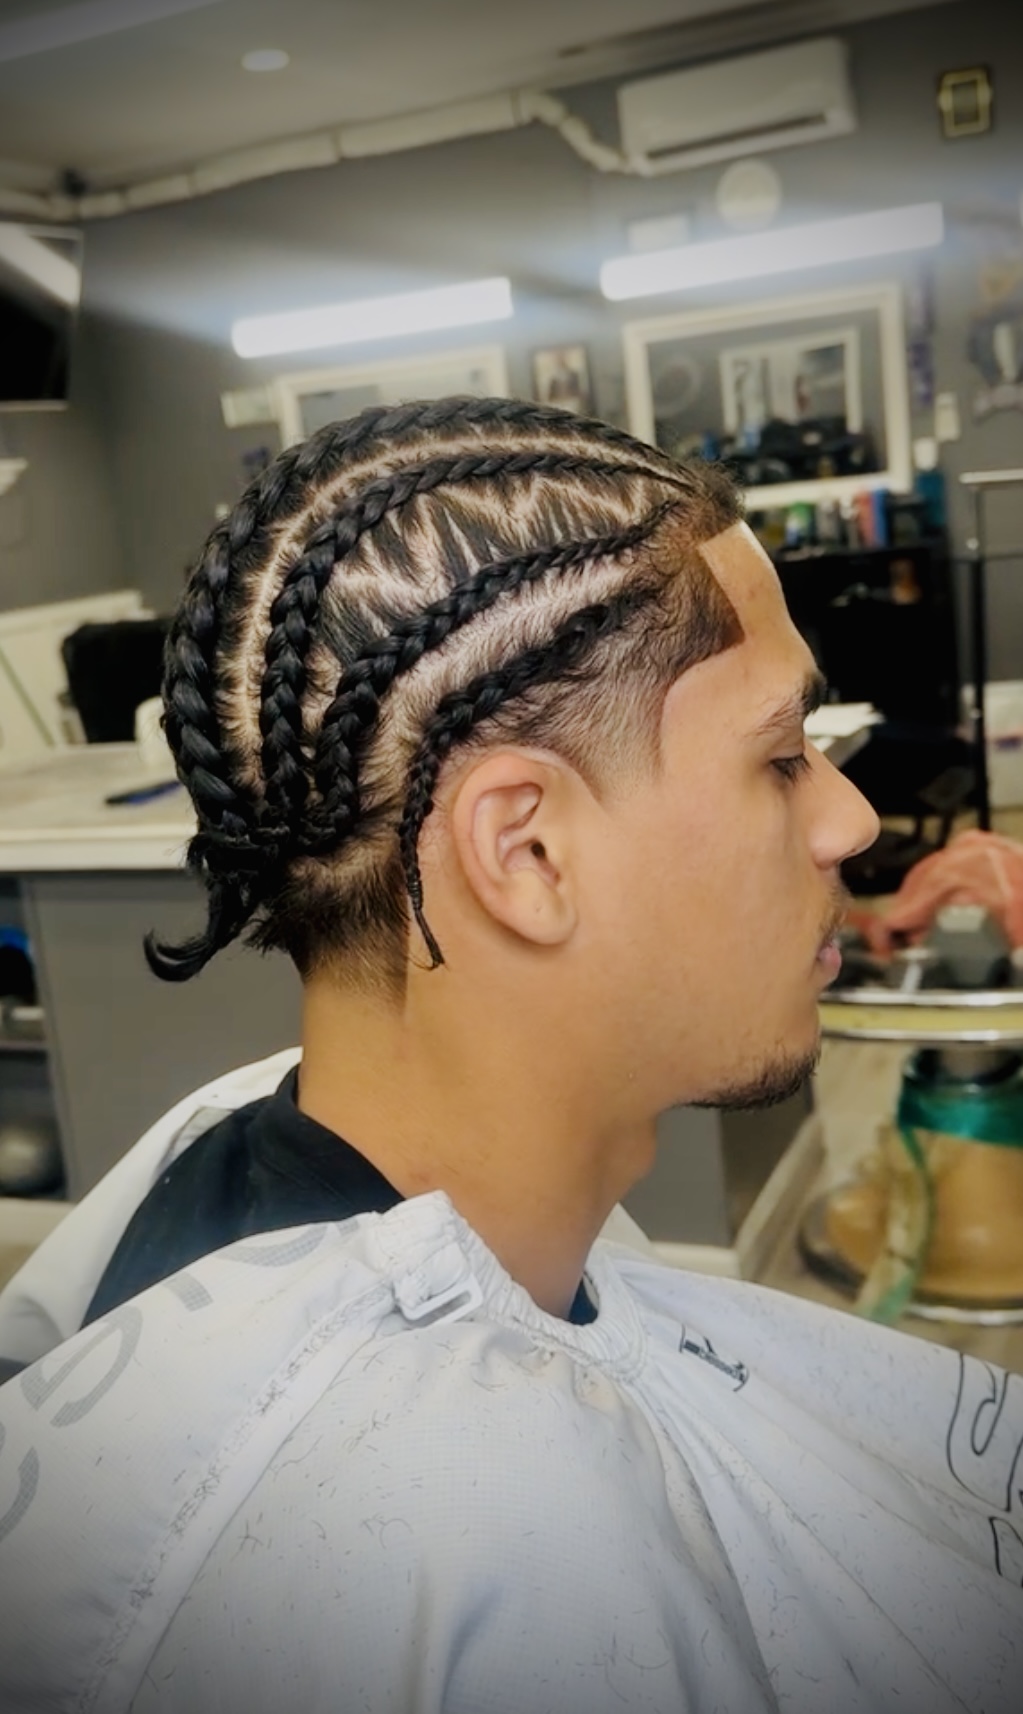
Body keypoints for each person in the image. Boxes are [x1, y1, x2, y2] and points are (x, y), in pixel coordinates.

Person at [0, 395, 1020, 1714]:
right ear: (528, 853)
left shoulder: (255, 1126)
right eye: (782, 757)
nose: (850, 813)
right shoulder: (421, 1549)